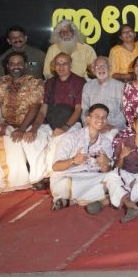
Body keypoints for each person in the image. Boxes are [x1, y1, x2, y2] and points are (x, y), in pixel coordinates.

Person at [0, 51, 45, 195]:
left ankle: (25, 180)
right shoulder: (2, 82)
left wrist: (22, 129)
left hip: (28, 124)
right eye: (12, 64)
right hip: (6, 124)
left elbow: (34, 108)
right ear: (7, 66)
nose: (16, 66)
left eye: (19, 63)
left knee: (18, 140)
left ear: (25, 65)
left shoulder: (35, 82)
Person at [29, 52, 87, 187]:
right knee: (33, 140)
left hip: (71, 123)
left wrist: (64, 128)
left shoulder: (80, 82)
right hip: (50, 122)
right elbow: (43, 110)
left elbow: (78, 109)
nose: (61, 67)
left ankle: (52, 177)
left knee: (58, 141)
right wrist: (34, 129)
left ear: (70, 65)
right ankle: (38, 176)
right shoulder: (49, 83)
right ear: (54, 66)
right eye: (58, 64)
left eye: (64, 63)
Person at [49, 104, 113, 214]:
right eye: (97, 116)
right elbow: (55, 167)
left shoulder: (106, 142)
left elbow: (106, 171)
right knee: (64, 185)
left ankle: (71, 201)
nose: (100, 120)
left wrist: (106, 164)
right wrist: (73, 160)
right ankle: (104, 199)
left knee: (114, 178)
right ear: (88, 118)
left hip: (92, 178)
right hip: (70, 177)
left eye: (104, 117)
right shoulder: (70, 137)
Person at [82, 56, 125, 142]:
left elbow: (125, 111)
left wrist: (111, 126)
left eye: (104, 66)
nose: (101, 69)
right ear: (93, 70)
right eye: (97, 66)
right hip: (93, 126)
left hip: (113, 127)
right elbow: (85, 110)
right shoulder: (88, 86)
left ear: (110, 68)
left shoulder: (121, 86)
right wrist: (90, 125)